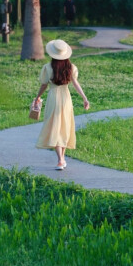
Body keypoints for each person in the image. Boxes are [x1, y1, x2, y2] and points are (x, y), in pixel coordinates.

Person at [34, 39, 90, 170]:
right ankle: (62, 159)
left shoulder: (48, 68)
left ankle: (60, 159)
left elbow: (43, 85)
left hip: (53, 97)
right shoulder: (71, 68)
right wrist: (84, 98)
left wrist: (38, 97)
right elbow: (76, 84)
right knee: (64, 127)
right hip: (66, 99)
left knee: (55, 127)